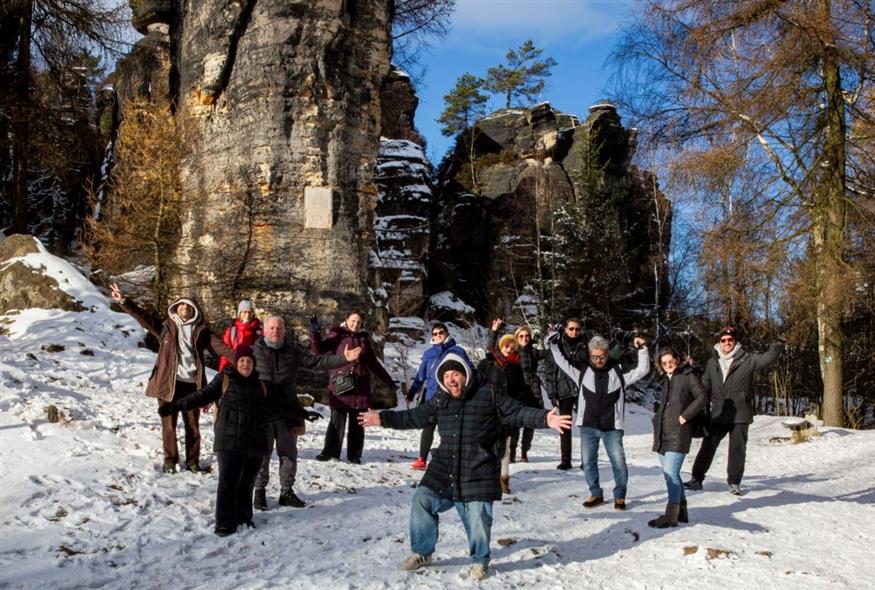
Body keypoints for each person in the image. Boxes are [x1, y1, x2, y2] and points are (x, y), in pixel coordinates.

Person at [358, 353, 572, 581]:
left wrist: (545, 419)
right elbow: (415, 417)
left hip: (477, 468)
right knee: (421, 501)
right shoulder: (441, 399)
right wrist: (382, 419)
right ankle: (422, 552)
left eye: (455, 374)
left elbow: (516, 412)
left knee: (478, 517)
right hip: (445, 468)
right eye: (447, 376)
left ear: (466, 374)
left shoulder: (489, 394)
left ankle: (480, 561)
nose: (451, 380)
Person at [157, 346, 322, 536]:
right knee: (228, 482)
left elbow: (282, 406)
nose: (245, 364)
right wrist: (175, 407)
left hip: (254, 441)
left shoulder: (261, 385)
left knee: (247, 482)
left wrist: (303, 414)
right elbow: (203, 395)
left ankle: (244, 517)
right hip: (228, 440)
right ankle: (224, 522)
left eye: (249, 362)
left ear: (254, 365)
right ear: (236, 363)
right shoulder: (225, 378)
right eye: (242, 361)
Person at [110, 283, 234, 474]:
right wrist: (124, 302)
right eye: (181, 305)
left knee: (193, 427)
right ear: (176, 308)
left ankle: (192, 462)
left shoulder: (201, 331)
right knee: (169, 426)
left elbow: (222, 349)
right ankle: (170, 461)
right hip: (169, 384)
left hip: (192, 386)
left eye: (188, 306)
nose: (184, 308)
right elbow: (143, 318)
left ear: (193, 311)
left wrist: (243, 360)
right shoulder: (165, 328)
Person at [252, 315, 361, 511]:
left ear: (284, 331)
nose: (275, 331)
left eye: (279, 328)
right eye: (272, 328)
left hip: (289, 411)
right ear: (264, 330)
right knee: (262, 453)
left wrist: (344, 358)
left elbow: (317, 362)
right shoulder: (254, 351)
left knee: (289, 454)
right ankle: (259, 492)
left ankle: (286, 491)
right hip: (262, 412)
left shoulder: (292, 352)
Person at [548, 334, 650, 511]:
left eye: (602, 356)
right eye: (595, 357)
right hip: (588, 426)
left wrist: (642, 349)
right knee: (588, 462)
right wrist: (554, 345)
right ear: (590, 355)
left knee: (618, 462)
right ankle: (596, 493)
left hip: (612, 427)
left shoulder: (618, 373)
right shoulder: (582, 371)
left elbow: (642, 370)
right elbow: (562, 362)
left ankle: (620, 496)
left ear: (607, 354)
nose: (599, 360)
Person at [684, 327, 785, 495]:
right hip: (719, 412)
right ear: (719, 342)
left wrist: (777, 345)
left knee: (737, 449)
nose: (726, 343)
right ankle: (696, 479)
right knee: (708, 445)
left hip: (740, 413)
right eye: (723, 340)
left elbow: (766, 360)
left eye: (730, 340)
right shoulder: (712, 362)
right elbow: (704, 387)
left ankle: (734, 483)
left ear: (735, 342)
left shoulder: (747, 359)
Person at [310, 310, 396, 465]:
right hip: (342, 384)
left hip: (361, 387)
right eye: (353, 321)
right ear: (346, 319)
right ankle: (329, 452)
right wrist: (315, 332)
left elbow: (373, 363)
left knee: (358, 423)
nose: (355, 324)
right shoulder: (337, 335)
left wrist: (388, 381)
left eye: (358, 322)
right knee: (337, 420)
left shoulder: (364, 339)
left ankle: (354, 455)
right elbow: (318, 350)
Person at [648, 346, 708, 528]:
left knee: (671, 473)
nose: (668, 365)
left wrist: (685, 416)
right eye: (664, 363)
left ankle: (670, 515)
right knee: (670, 475)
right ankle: (681, 512)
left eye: (671, 361)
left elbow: (703, 397)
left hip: (679, 433)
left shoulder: (687, 375)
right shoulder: (666, 379)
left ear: (677, 359)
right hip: (662, 433)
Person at [405, 322, 472, 470]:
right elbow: (420, 376)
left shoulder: (457, 351)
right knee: (428, 427)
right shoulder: (428, 353)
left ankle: (451, 460)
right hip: (431, 397)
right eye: (434, 334)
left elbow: (469, 370)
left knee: (447, 430)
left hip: (451, 396)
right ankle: (422, 459)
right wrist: (411, 393)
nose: (438, 335)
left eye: (441, 332)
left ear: (447, 333)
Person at [486, 319, 547, 464]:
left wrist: (553, 335)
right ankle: (512, 450)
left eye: (527, 336)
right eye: (521, 336)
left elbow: (550, 353)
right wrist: (494, 331)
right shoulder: (512, 352)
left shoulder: (533, 352)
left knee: (530, 423)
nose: (524, 339)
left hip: (531, 389)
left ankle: (525, 451)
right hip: (515, 389)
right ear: (516, 337)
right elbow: (492, 349)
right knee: (514, 422)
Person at [541, 318, 588, 469]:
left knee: (585, 425)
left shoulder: (585, 344)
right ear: (565, 329)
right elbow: (549, 370)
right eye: (571, 328)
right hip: (563, 389)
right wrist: (552, 393)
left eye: (577, 329)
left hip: (583, 389)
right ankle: (565, 460)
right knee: (565, 426)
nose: (574, 332)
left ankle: (586, 460)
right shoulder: (557, 344)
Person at [218, 299, 262, 372]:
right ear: (239, 314)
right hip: (234, 369)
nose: (247, 315)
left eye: (249, 312)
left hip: (252, 371)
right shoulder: (232, 331)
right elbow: (226, 354)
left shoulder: (258, 332)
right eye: (244, 312)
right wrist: (222, 371)